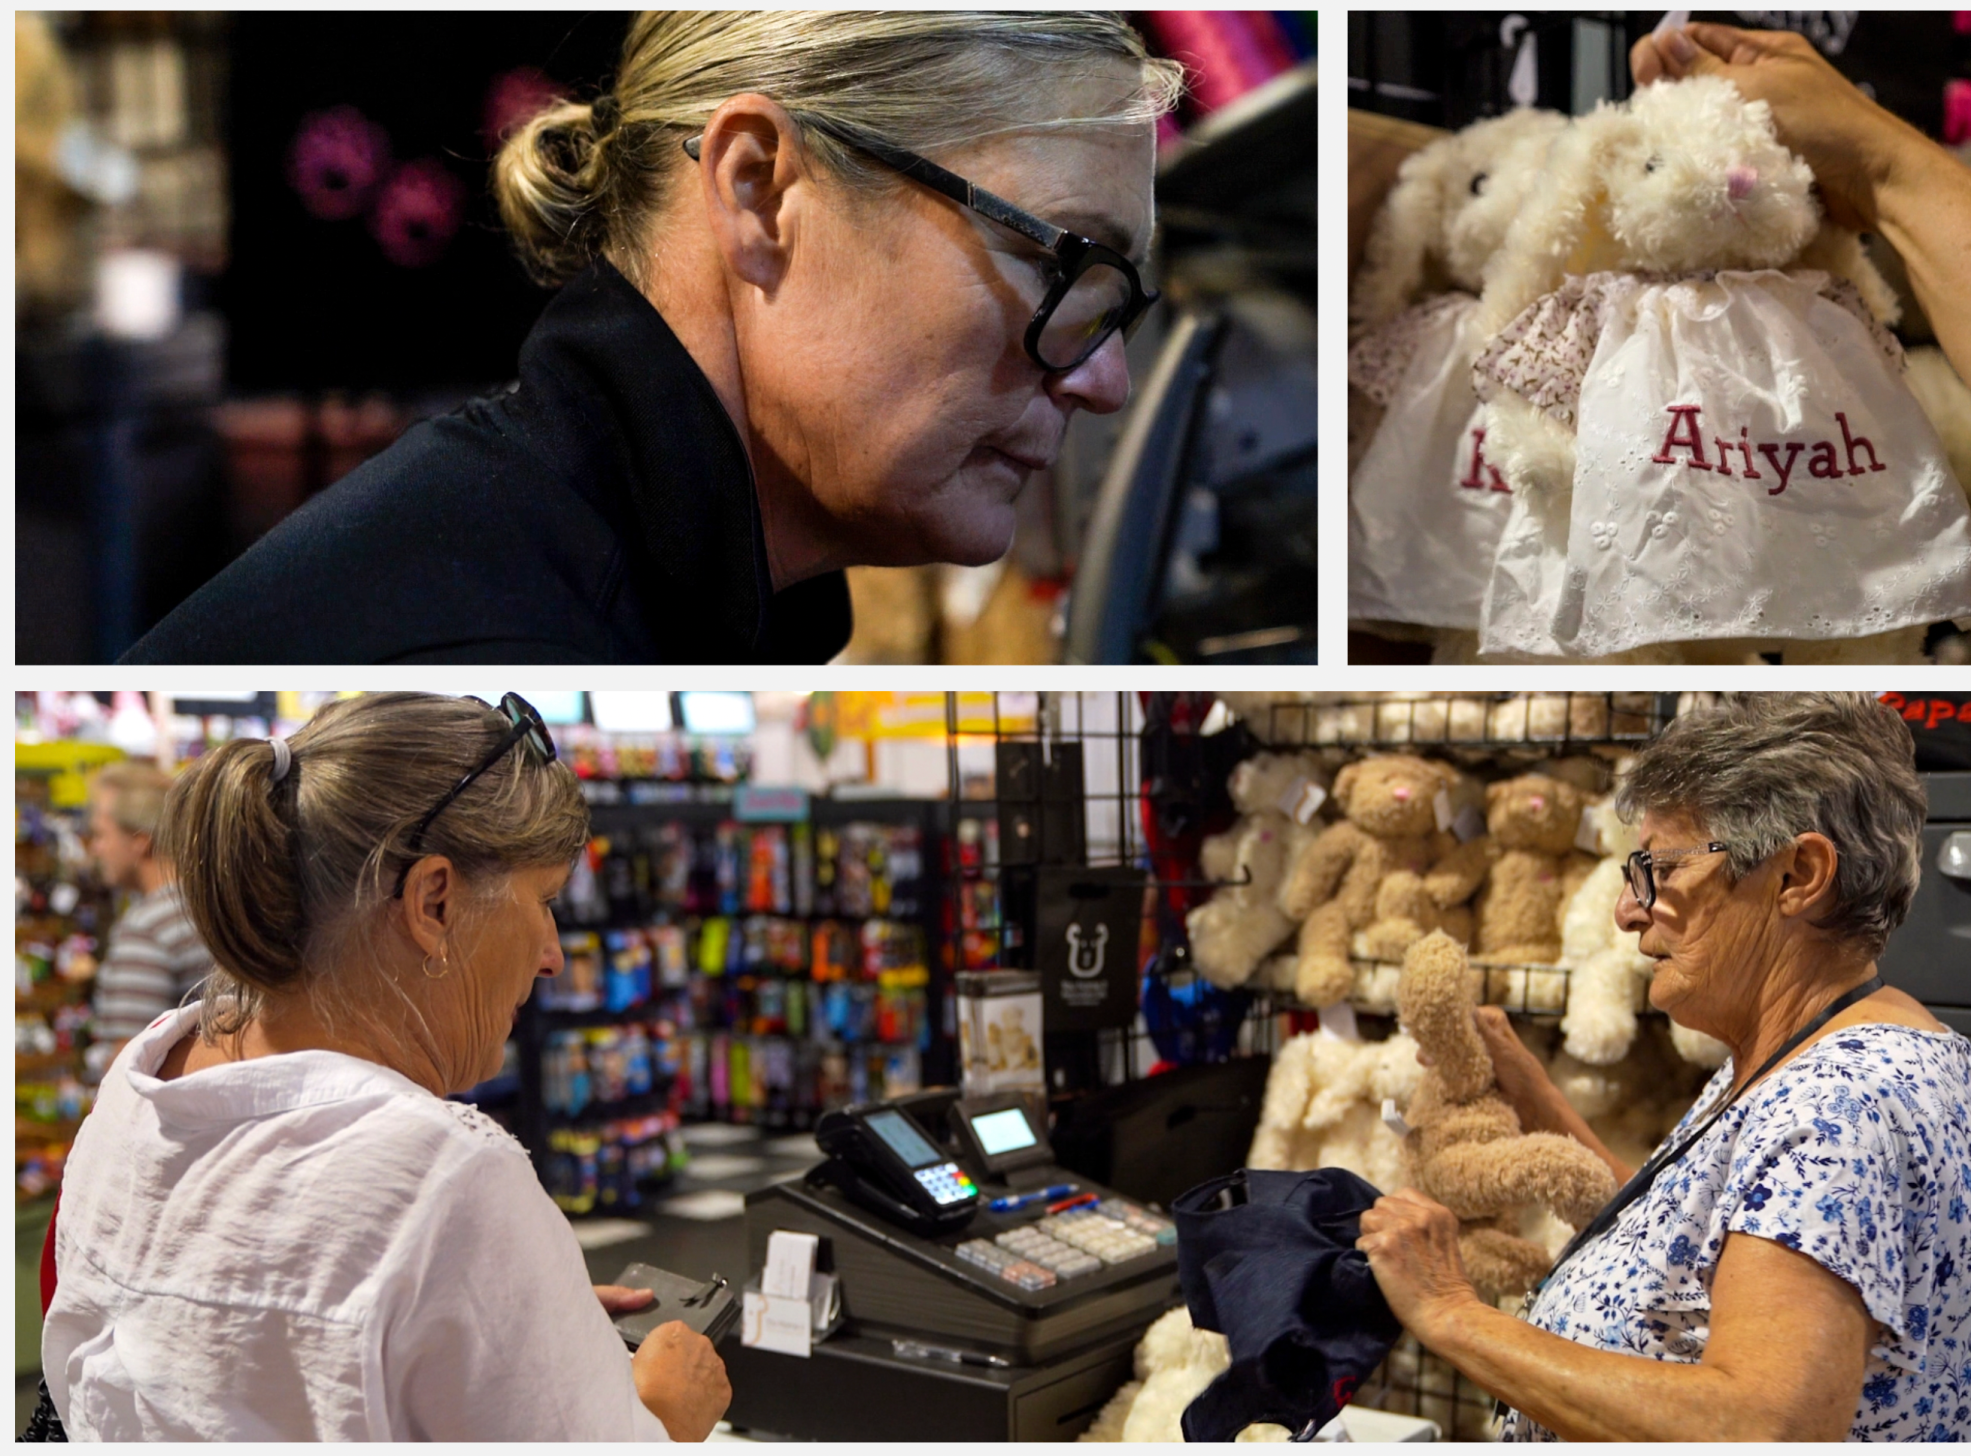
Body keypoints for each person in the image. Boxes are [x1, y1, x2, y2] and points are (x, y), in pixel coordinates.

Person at [120, 12, 1183, 665]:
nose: (1105, 379)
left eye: (1117, 303)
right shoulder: (487, 645)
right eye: (1061, 260)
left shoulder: (579, 559)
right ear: (759, 190)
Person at [43, 694, 731, 1439]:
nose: (551, 954)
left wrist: (497, 1313)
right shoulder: (443, 1176)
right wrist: (666, 1413)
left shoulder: (141, 1082)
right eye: (544, 899)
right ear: (433, 900)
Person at [1356, 693, 1971, 1441]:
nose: (1625, 910)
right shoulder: (1829, 1050)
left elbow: (1763, 1424)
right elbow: (1691, 1249)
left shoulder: (1839, 1103)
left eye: (1656, 869)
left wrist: (1451, 1314)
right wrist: (1536, 1094)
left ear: (1797, 875)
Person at [1630, 21, 1971, 478]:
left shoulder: (1819, 281)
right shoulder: (1618, 301)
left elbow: (1862, 293)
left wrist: (1878, 165)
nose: (1731, 183)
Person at [83, 762, 213, 1055]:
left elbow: (129, 1060)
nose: (96, 848)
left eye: (102, 835)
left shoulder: (146, 929)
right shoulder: (211, 906)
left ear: (139, 841)